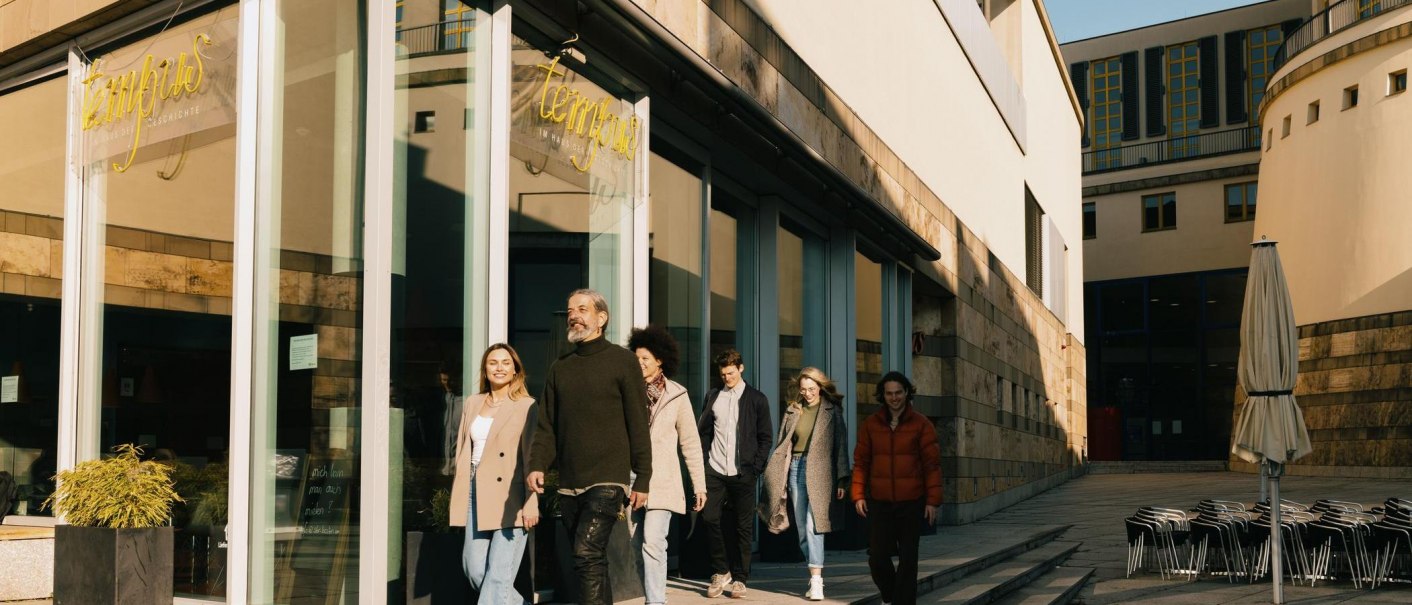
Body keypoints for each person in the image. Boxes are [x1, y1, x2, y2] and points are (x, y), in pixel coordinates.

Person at [527, 289, 653, 605]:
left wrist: (644, 476)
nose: (574, 315)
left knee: (585, 552)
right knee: (589, 559)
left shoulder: (623, 362)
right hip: (570, 483)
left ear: (601, 318)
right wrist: (537, 463)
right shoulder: (560, 368)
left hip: (608, 478)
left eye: (582, 309)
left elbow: (638, 422)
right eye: (570, 310)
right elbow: (547, 425)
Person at [449, 344, 539, 605]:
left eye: (505, 363)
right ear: (485, 370)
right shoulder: (473, 403)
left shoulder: (526, 406)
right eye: (493, 363)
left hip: (510, 495)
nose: (499, 367)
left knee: (498, 577)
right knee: (475, 570)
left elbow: (531, 458)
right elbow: (463, 452)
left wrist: (531, 501)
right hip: (475, 491)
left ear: (515, 370)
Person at [627, 325, 707, 605]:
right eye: (636, 358)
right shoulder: (626, 392)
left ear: (659, 360)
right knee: (636, 546)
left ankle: (655, 601)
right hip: (630, 482)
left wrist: (699, 485)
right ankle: (652, 594)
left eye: (645, 358)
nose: (639, 363)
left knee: (654, 541)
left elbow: (690, 442)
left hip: (663, 482)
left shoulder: (677, 394)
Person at [852, 371, 942, 605]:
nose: (894, 398)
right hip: (880, 501)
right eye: (889, 393)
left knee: (908, 558)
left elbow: (932, 465)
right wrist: (858, 494)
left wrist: (932, 501)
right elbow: (861, 461)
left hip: (912, 501)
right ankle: (891, 597)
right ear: (882, 395)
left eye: (898, 393)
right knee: (878, 557)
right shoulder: (871, 425)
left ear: (906, 393)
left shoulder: (922, 424)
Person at [761, 367, 850, 601]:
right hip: (796, 469)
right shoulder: (793, 410)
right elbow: (783, 443)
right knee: (801, 527)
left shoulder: (832, 411)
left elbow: (841, 446)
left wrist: (842, 479)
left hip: (822, 471)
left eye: (812, 389)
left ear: (820, 387)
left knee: (813, 525)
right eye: (804, 389)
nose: (808, 393)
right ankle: (814, 571)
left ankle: (817, 579)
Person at [697, 349, 773, 599]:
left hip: (743, 473)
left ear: (741, 368)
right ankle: (721, 571)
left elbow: (765, 437)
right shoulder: (713, 396)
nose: (727, 377)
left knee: (743, 528)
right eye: (723, 374)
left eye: (730, 372)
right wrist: (705, 460)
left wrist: (756, 468)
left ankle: (740, 578)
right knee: (709, 518)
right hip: (715, 469)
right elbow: (704, 431)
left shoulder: (757, 399)